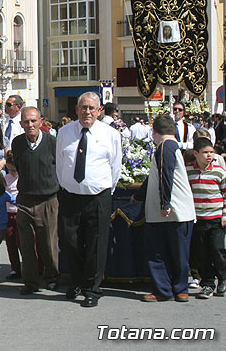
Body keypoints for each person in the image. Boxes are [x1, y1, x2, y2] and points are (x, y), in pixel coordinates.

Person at [56, 92, 122, 308]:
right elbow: (59, 165)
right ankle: (76, 281)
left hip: (98, 197)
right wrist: (69, 185)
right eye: (83, 107)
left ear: (99, 111)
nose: (87, 112)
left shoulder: (110, 134)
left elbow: (115, 167)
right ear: (76, 109)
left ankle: (92, 289)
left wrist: (104, 191)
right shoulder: (65, 133)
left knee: (96, 244)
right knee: (69, 241)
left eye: (92, 108)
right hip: (70, 197)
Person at [132, 115, 195, 303]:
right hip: (177, 212)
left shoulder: (165, 147)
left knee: (159, 254)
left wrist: (164, 203)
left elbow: (165, 175)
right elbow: (154, 177)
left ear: (154, 131)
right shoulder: (170, 146)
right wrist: (140, 195)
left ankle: (166, 289)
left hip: (170, 211)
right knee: (178, 253)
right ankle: (178, 288)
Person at [12, 107, 61, 294]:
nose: (30, 125)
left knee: (49, 244)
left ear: (41, 121)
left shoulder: (52, 143)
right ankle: (30, 282)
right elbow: (19, 166)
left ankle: (51, 277)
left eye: (33, 121)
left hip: (48, 199)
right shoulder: (17, 143)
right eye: (26, 122)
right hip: (25, 199)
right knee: (26, 245)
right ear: (21, 124)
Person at [186, 138, 226, 299]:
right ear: (196, 154)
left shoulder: (219, 172)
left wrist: (224, 215)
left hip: (216, 219)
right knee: (201, 253)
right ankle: (208, 283)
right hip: (198, 219)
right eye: (205, 153)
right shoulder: (189, 171)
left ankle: (222, 278)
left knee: (217, 250)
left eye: (211, 153)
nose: (209, 156)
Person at [2, 151, 21, 280]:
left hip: (21, 213)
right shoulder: (6, 179)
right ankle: (15, 268)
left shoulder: (22, 177)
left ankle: (32, 266)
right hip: (9, 214)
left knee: (23, 242)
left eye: (14, 170)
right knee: (10, 241)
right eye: (9, 170)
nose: (12, 173)